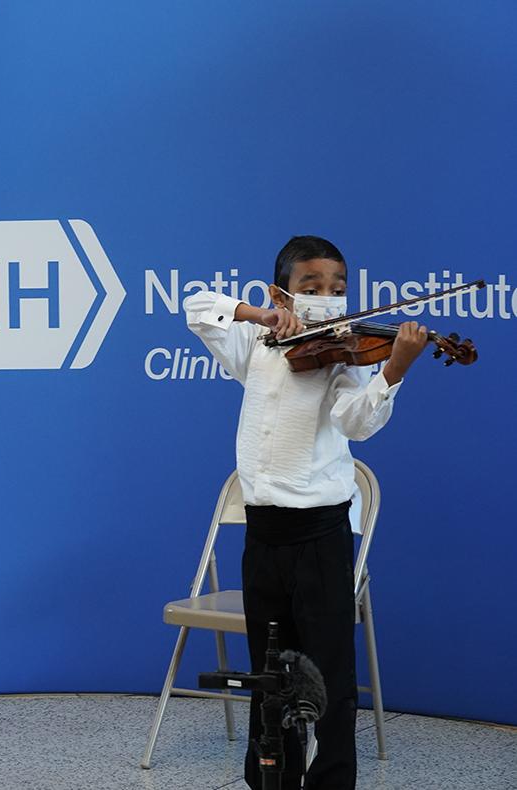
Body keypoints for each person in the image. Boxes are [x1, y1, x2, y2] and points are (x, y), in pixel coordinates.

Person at [184, 236, 428, 790]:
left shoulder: (345, 359)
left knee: (329, 676)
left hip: (320, 536)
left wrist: (392, 370)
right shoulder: (255, 343)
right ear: (282, 295)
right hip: (262, 535)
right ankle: (269, 776)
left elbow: (356, 424)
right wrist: (261, 315)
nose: (327, 299)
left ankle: (332, 781)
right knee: (270, 675)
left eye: (337, 290)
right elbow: (197, 307)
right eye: (311, 288)